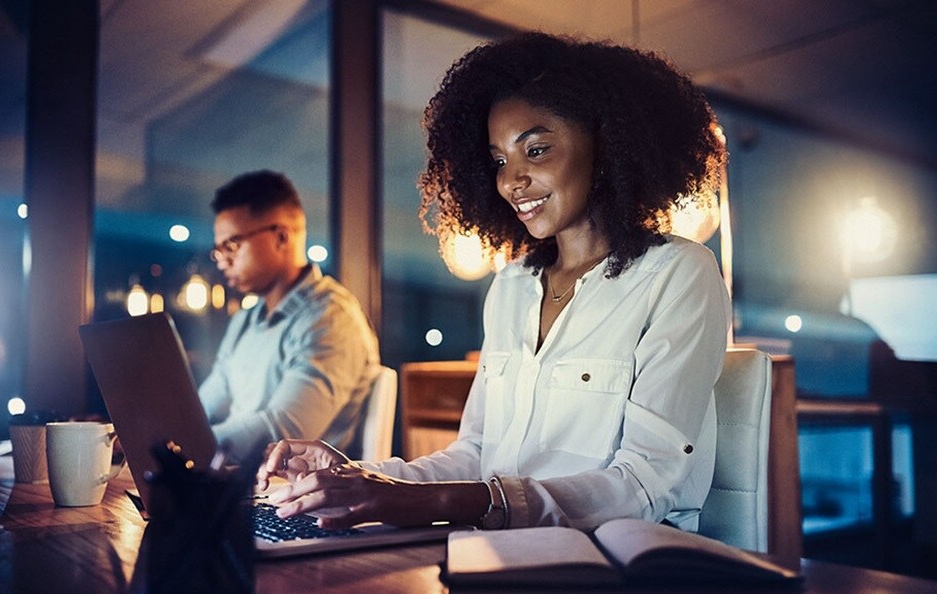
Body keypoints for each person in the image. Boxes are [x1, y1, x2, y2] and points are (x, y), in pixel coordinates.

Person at [257, 33, 731, 533]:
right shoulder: (512, 287)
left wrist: (435, 502)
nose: (510, 181)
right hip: (497, 550)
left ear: (609, 145)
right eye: (500, 161)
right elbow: (477, 455)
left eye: (536, 150)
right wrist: (358, 479)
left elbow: (644, 486)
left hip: (613, 559)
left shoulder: (679, 275)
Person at [199, 170, 381, 463]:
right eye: (218, 250)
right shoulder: (246, 319)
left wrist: (185, 444)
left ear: (281, 237)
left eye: (232, 245)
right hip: (237, 478)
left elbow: (283, 432)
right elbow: (204, 406)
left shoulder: (331, 319)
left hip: (295, 485)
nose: (223, 262)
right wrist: (155, 436)